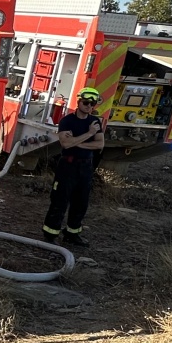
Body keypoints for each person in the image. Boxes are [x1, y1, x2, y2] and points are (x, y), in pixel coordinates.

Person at [41, 87, 104, 247]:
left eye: (92, 104)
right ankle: (50, 234)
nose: (89, 106)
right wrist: (89, 134)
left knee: (81, 202)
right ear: (79, 101)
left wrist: (77, 142)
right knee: (60, 200)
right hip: (68, 166)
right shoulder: (67, 121)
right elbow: (65, 144)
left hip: (86, 166)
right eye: (86, 102)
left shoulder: (95, 122)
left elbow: (99, 145)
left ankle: (72, 234)